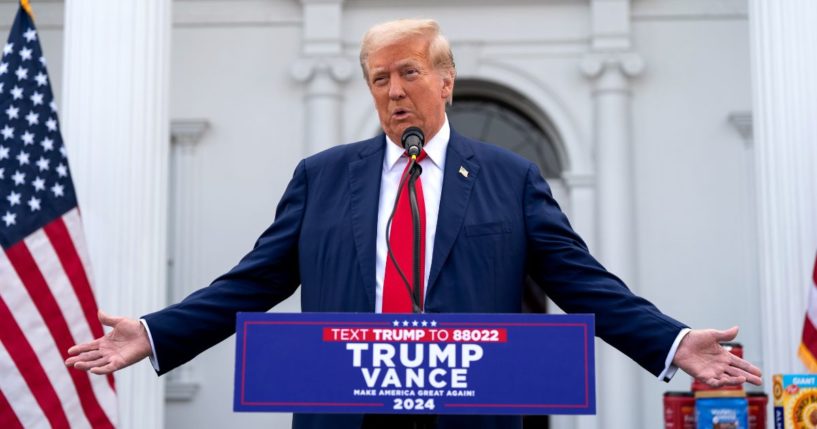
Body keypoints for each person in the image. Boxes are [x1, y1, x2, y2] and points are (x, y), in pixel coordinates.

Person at [66, 19, 762, 429]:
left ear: (444, 80)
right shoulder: (323, 176)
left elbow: (583, 284)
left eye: (406, 73)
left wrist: (672, 342)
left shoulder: (508, 178)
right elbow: (252, 282)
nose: (393, 92)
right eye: (377, 79)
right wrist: (157, 331)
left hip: (470, 412)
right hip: (344, 412)